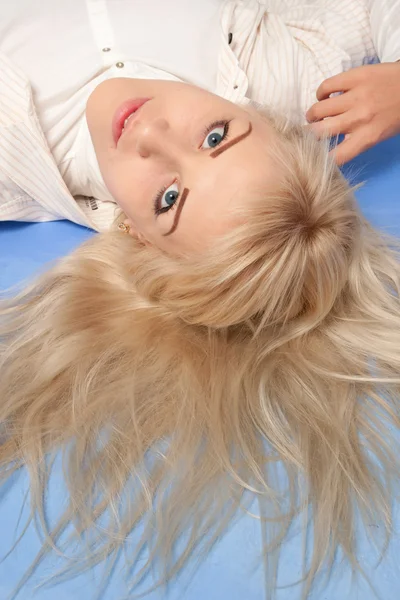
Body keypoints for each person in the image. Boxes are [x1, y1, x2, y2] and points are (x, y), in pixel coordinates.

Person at [0, 1, 400, 598]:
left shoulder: (13, 164)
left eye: (167, 199)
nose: (151, 132)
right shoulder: (286, 71)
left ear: (135, 237)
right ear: (269, 121)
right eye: (216, 136)